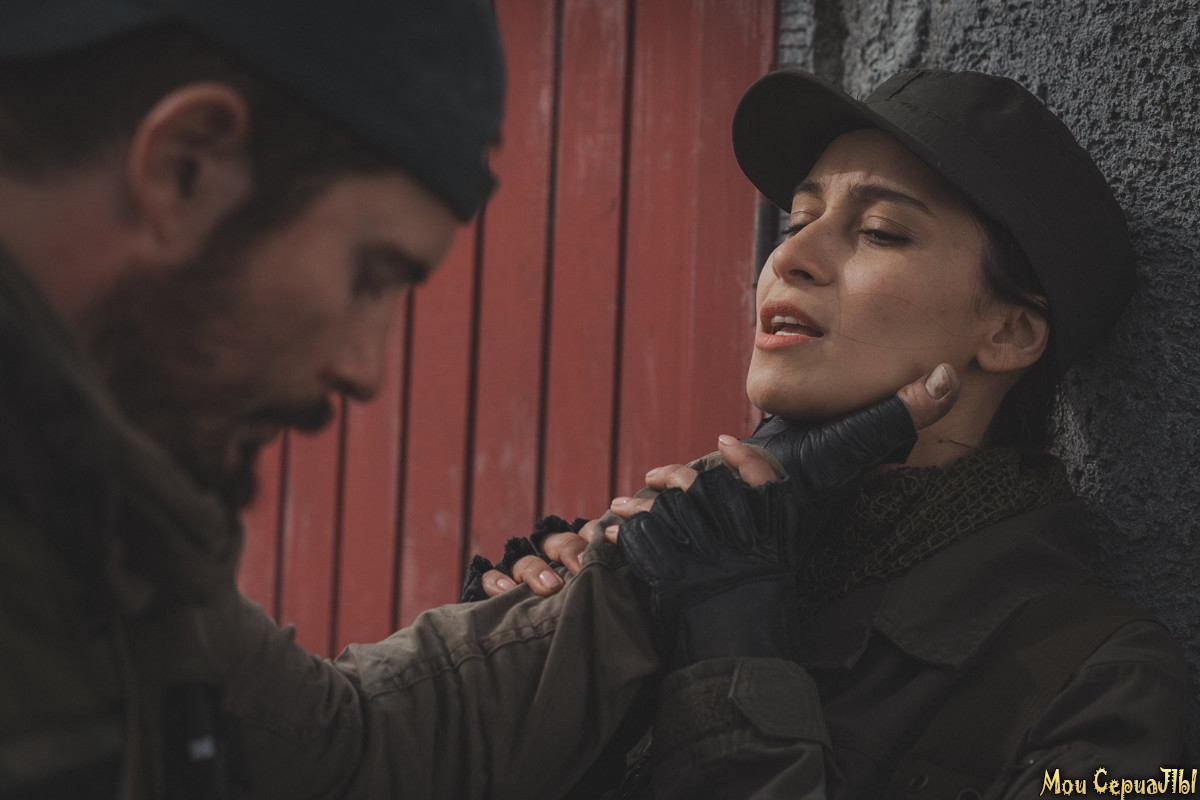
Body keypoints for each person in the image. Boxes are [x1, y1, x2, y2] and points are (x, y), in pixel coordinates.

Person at [0, 2, 953, 798]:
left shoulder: (102, 525)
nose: (366, 370)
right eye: (368, 274)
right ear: (186, 165)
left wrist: (651, 568)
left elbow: (343, 749)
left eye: (880, 231)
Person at [479, 68, 1192, 799]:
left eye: (880, 232)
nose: (788, 258)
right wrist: (523, 664)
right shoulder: (692, 545)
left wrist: (730, 637)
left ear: (1009, 331)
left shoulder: (1099, 685)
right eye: (796, 222)